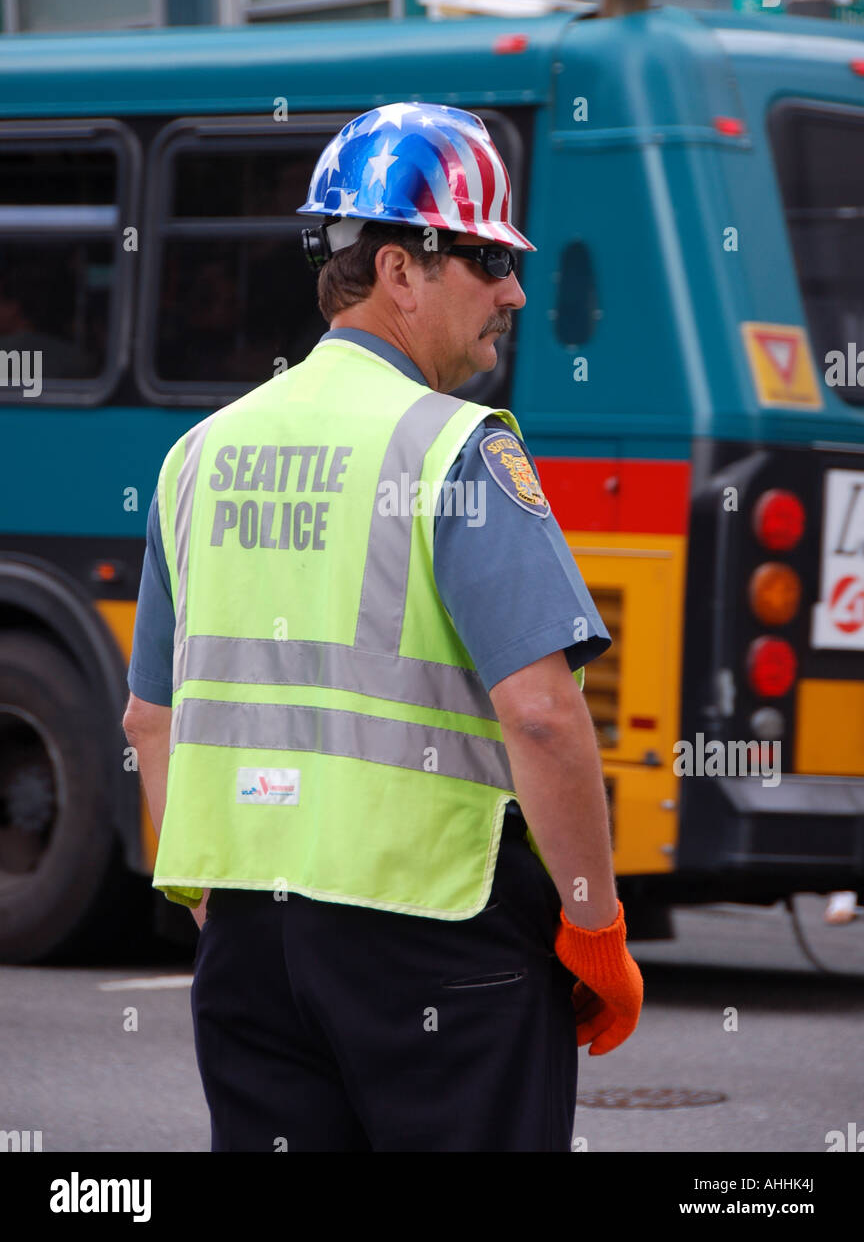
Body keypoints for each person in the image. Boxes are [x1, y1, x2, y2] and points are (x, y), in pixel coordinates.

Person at [123, 102, 643, 1153]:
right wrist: (595, 924)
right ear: (401, 271)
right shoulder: (455, 449)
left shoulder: (199, 455)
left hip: (249, 942)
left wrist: (225, 917)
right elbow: (541, 715)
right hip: (439, 938)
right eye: (489, 259)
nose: (515, 291)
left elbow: (148, 722)